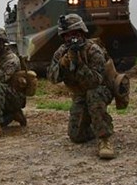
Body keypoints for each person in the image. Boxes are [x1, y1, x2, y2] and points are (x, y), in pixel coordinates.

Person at [47, 14, 116, 159]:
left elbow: (96, 81)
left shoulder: (93, 50)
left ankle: (104, 139)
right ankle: (96, 124)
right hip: (80, 94)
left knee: (93, 94)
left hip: (100, 90)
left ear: (82, 32)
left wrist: (79, 64)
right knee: (76, 136)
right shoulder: (61, 52)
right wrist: (62, 65)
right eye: (68, 35)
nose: (72, 38)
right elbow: (52, 78)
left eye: (75, 34)